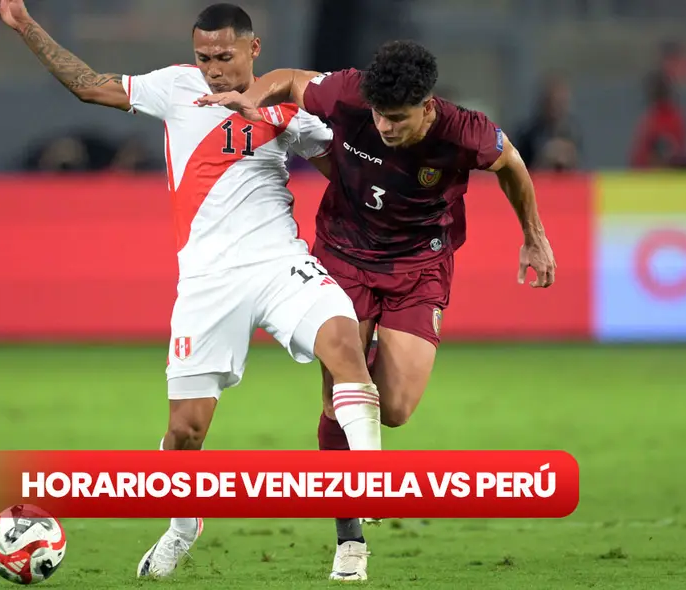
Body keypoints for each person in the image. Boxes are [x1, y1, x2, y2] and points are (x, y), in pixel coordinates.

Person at [0, 0, 384, 580]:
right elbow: (90, 86)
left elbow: (349, 176)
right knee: (186, 431)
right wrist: (25, 24)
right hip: (207, 282)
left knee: (344, 345)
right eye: (204, 57)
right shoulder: (174, 88)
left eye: (224, 56)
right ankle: (183, 524)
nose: (214, 69)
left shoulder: (286, 108)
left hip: (280, 263)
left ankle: (371, 484)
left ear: (253, 50)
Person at [198, 40, 556, 581]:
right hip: (343, 256)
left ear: (428, 106)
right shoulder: (346, 93)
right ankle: (349, 539)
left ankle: (359, 390)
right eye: (379, 117)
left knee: (395, 408)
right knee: (340, 396)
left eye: (397, 119)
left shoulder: (466, 131)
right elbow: (292, 78)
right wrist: (249, 98)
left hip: (419, 265)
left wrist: (533, 236)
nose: (385, 128)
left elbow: (512, 165)